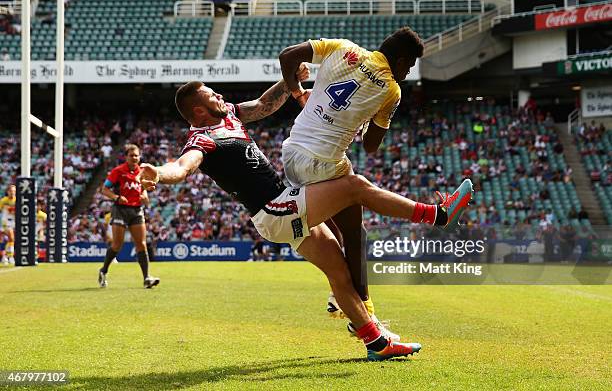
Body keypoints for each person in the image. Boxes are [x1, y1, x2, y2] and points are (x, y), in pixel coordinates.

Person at [137, 81, 473, 361]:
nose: (221, 97)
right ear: (198, 110)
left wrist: (289, 81)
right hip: (275, 208)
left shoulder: (230, 117)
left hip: (282, 207)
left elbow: (265, 105)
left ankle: (375, 343)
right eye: (213, 96)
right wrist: (159, 174)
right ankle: (437, 215)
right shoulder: (201, 139)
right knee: (355, 187)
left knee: (339, 269)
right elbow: (182, 167)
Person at [277, 27, 423, 334]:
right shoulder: (391, 89)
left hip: (292, 154)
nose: (408, 72)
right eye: (408, 65)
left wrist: (298, 93)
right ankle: (366, 315)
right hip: (326, 163)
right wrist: (370, 118)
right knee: (356, 235)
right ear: (399, 59)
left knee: (337, 234)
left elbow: (287, 56)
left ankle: (339, 295)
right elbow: (371, 146)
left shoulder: (341, 47)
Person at [98, 144, 159, 289]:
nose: (134, 158)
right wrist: (116, 197)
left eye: (136, 155)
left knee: (141, 244)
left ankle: (146, 278)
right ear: (126, 157)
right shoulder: (118, 171)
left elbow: (143, 192)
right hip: (120, 209)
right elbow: (104, 189)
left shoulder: (142, 172)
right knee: (117, 245)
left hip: (136, 210)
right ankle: (103, 270)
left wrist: (145, 197)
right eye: (131, 155)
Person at [0, 184, 16, 265]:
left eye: (14, 191)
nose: (12, 193)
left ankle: (5, 256)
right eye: (11, 191)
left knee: (11, 240)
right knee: (11, 236)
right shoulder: (3, 200)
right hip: (5, 221)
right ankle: (11, 256)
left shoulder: (17, 200)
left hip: (13, 222)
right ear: (8, 192)